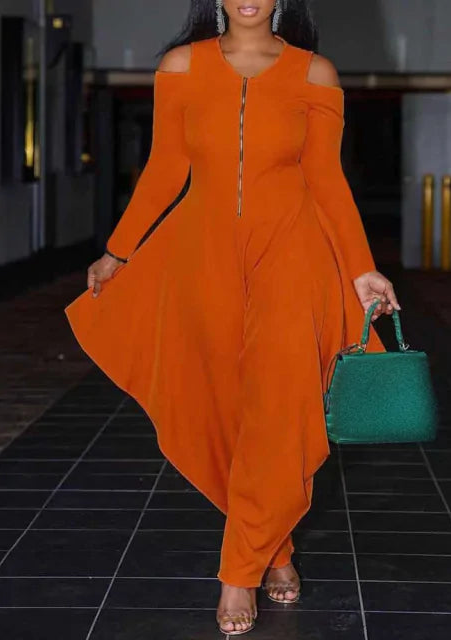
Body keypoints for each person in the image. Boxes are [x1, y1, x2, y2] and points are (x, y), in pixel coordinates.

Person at [65, 0, 401, 635]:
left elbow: (327, 177)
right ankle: (274, 547)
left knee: (279, 408)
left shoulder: (315, 72)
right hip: (204, 256)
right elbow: (166, 166)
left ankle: (238, 572)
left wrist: (362, 269)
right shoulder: (181, 66)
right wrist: (118, 250)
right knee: (220, 409)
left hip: (294, 254)